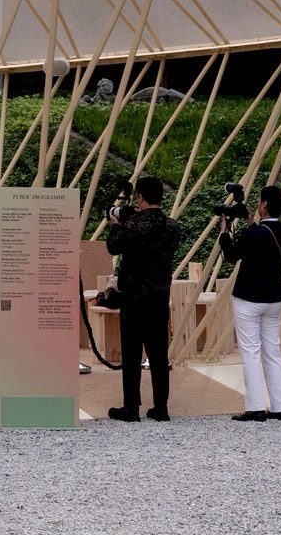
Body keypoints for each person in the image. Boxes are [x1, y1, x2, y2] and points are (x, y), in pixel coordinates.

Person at [104, 174, 179, 422]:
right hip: (159, 298)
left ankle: (131, 407)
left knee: (132, 354)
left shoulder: (133, 225)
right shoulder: (172, 227)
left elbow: (113, 246)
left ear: (141, 197)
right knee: (158, 355)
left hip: (133, 298)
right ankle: (161, 407)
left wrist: (115, 222)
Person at [219, 182, 281, 423]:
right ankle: (280, 406)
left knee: (250, 351)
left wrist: (224, 230)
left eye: (261, 200)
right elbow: (264, 241)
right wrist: (251, 220)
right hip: (273, 299)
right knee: (272, 351)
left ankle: (255, 407)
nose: (258, 203)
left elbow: (231, 254)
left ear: (265, 205)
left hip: (249, 298)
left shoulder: (253, 234)